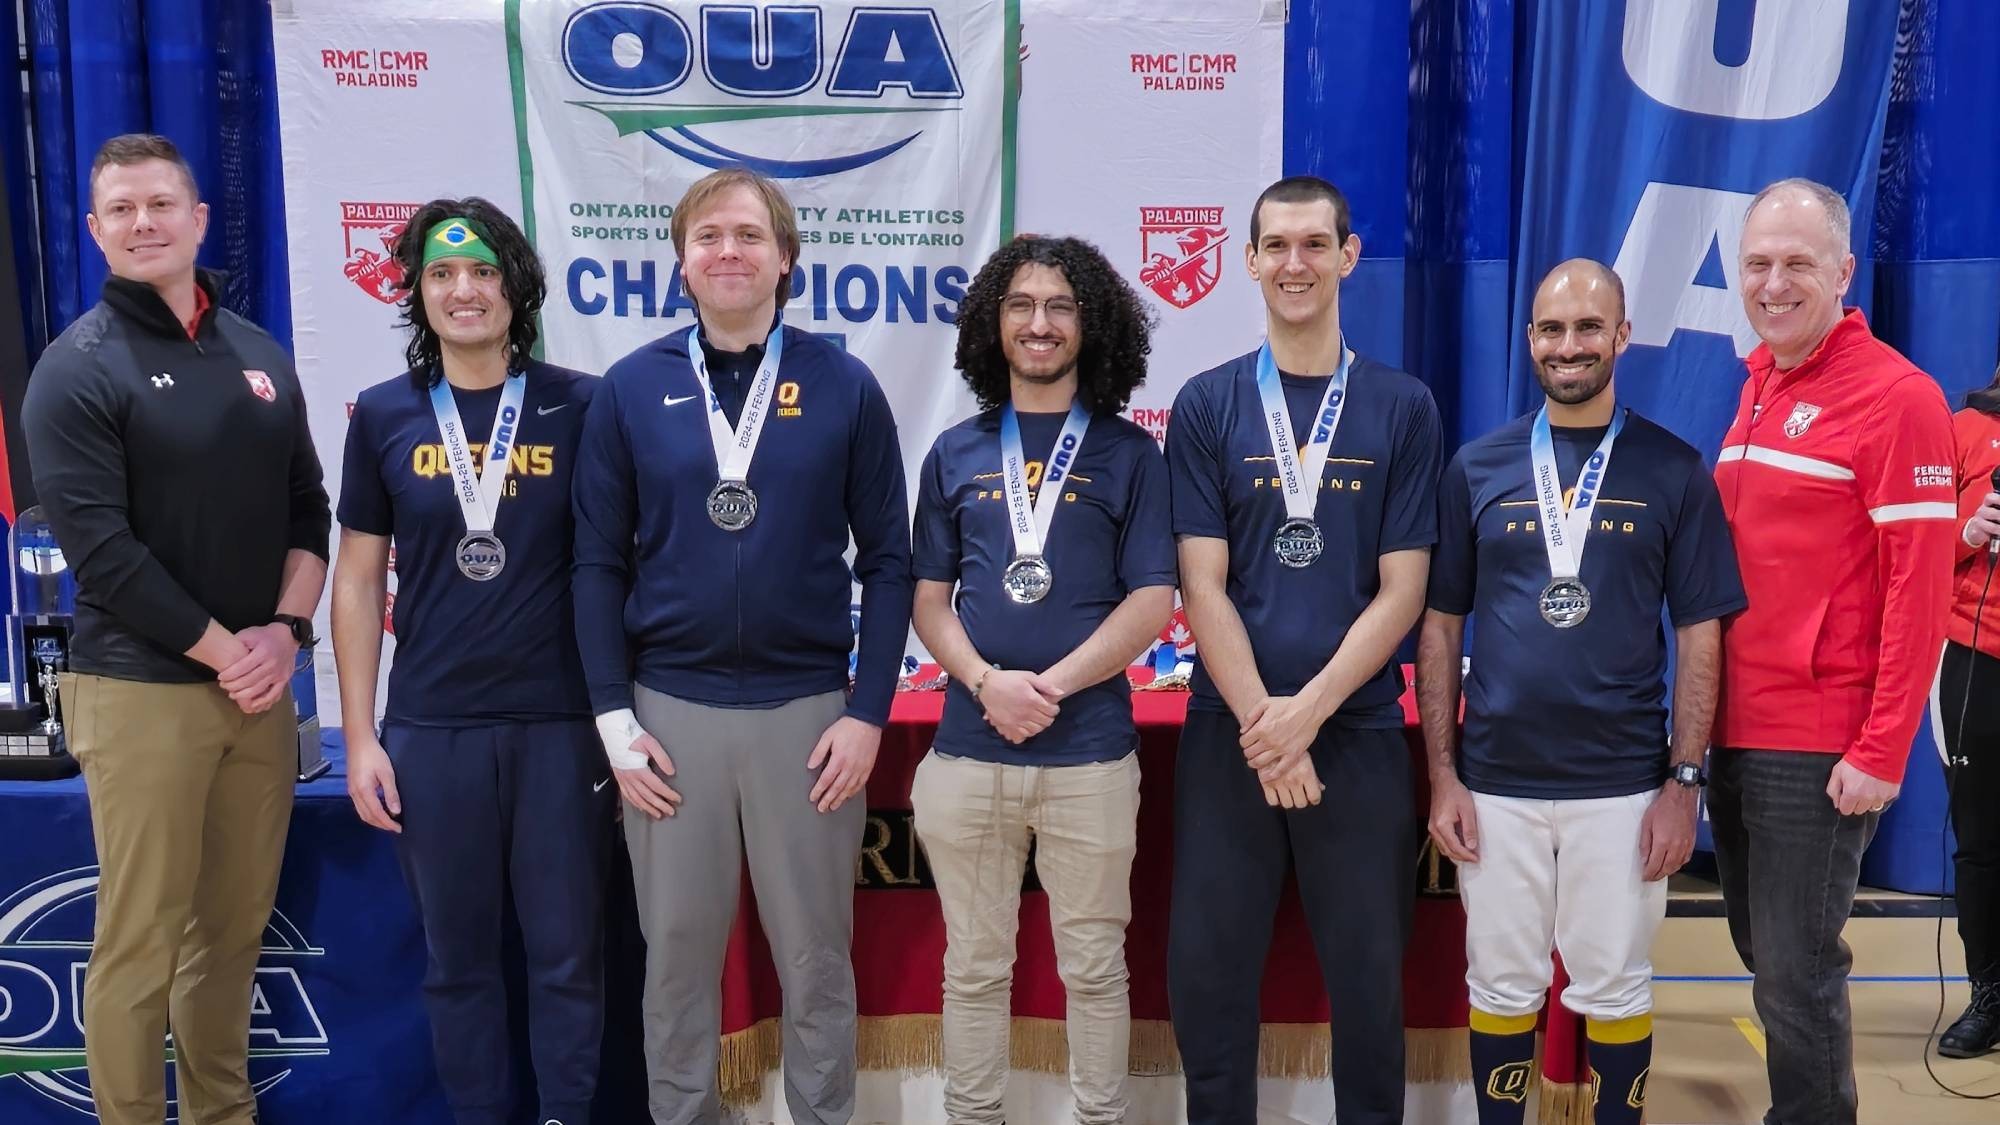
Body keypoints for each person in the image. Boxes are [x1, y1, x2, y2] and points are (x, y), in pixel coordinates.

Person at [571, 165, 914, 1125]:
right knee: (675, 957)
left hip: (807, 716)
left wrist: (866, 715)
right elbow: (595, 565)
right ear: (681, 263)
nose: (730, 251)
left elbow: (890, 562)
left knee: (814, 956)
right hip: (668, 715)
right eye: (709, 236)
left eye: (750, 236)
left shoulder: (844, 384)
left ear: (786, 259)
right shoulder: (632, 389)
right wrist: (613, 720)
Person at [20, 133, 330, 1125]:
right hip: (142, 690)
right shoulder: (75, 371)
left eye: (161, 204)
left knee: (232, 935)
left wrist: (284, 633)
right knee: (141, 938)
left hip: (260, 690)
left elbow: (307, 513)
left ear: (198, 219)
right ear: (95, 232)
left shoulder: (257, 354)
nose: (143, 223)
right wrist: (228, 652)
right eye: (122, 209)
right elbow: (101, 554)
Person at [1419, 260, 1746, 1124]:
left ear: (1623, 336)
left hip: (1624, 786)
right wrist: (1445, 777)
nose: (1571, 346)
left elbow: (1700, 636)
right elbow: (1441, 627)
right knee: (1499, 982)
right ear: (1530, 340)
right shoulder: (1476, 468)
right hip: (1495, 784)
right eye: (1553, 330)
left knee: (1615, 986)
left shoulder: (1674, 470)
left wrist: (1684, 785)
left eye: (1589, 328)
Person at [1163, 174, 1442, 1125]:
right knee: (1209, 980)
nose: (1295, 264)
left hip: (1355, 732)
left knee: (1369, 985)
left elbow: (1403, 590)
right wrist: (1263, 724)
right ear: (1247, 261)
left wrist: (1307, 714)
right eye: (1276, 246)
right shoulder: (1205, 405)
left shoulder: (1403, 406)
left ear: (1348, 256)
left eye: (1315, 245)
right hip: (1229, 735)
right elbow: (1201, 585)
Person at [332, 198, 610, 1125]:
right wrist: (362, 734)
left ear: (515, 286)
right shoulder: (381, 415)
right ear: (416, 289)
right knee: (459, 963)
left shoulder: (582, 403)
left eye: (484, 271)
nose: (464, 290)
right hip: (434, 729)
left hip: (561, 724)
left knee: (569, 956)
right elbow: (360, 579)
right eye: (443, 274)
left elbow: (620, 564)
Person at [910, 235, 1175, 1123]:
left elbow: (1150, 601)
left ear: (1091, 326)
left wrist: (1046, 687)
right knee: (973, 966)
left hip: (1089, 757)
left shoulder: (1132, 455)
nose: (1040, 323)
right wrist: (988, 682)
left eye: (1061, 306)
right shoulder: (953, 451)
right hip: (968, 751)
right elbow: (928, 602)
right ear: (995, 324)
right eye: (1022, 304)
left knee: (1095, 966)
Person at [1710, 177, 1958, 1123]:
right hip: (1738, 726)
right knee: (1767, 955)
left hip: (1817, 744)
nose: (1774, 283)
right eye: (1758, 264)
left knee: (1797, 973)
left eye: (1797, 264)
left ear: (1845, 272)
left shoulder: (1898, 398)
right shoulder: (1762, 384)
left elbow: (1920, 587)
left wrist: (1881, 747)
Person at [1939, 366, 2000, 1058]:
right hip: (1976, 655)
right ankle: (1989, 994)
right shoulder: (1963, 429)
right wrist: (1969, 527)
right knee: (1981, 842)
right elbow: (1919, 546)